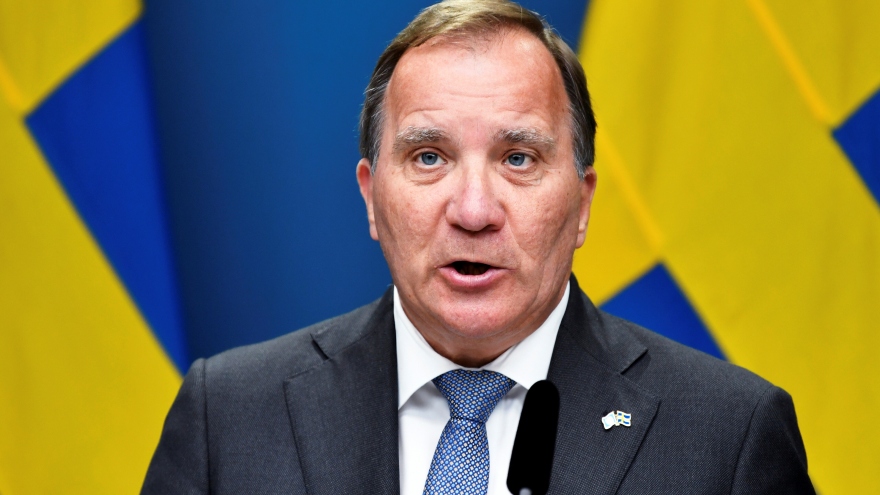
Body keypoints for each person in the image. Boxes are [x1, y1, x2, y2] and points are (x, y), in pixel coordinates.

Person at [142, 1, 815, 493]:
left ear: (582, 204)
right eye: (429, 157)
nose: (472, 211)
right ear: (371, 197)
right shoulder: (227, 418)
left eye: (518, 158)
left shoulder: (728, 436)